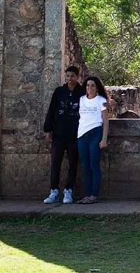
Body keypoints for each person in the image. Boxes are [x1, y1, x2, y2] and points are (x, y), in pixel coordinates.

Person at [42, 66, 86, 204]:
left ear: (77, 77)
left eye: (72, 76)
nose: (69, 79)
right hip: (59, 134)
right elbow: (51, 110)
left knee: (73, 163)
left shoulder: (82, 93)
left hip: (75, 135)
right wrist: (48, 130)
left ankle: (68, 191)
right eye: (67, 76)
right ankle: (54, 191)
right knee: (55, 163)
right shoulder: (59, 92)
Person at [76, 76, 110, 204]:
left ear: (97, 88)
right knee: (85, 166)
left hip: (96, 133)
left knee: (94, 165)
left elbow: (106, 121)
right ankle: (87, 194)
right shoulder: (81, 100)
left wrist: (104, 139)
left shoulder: (101, 101)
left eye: (93, 85)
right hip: (82, 135)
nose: (89, 88)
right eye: (87, 85)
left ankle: (94, 195)